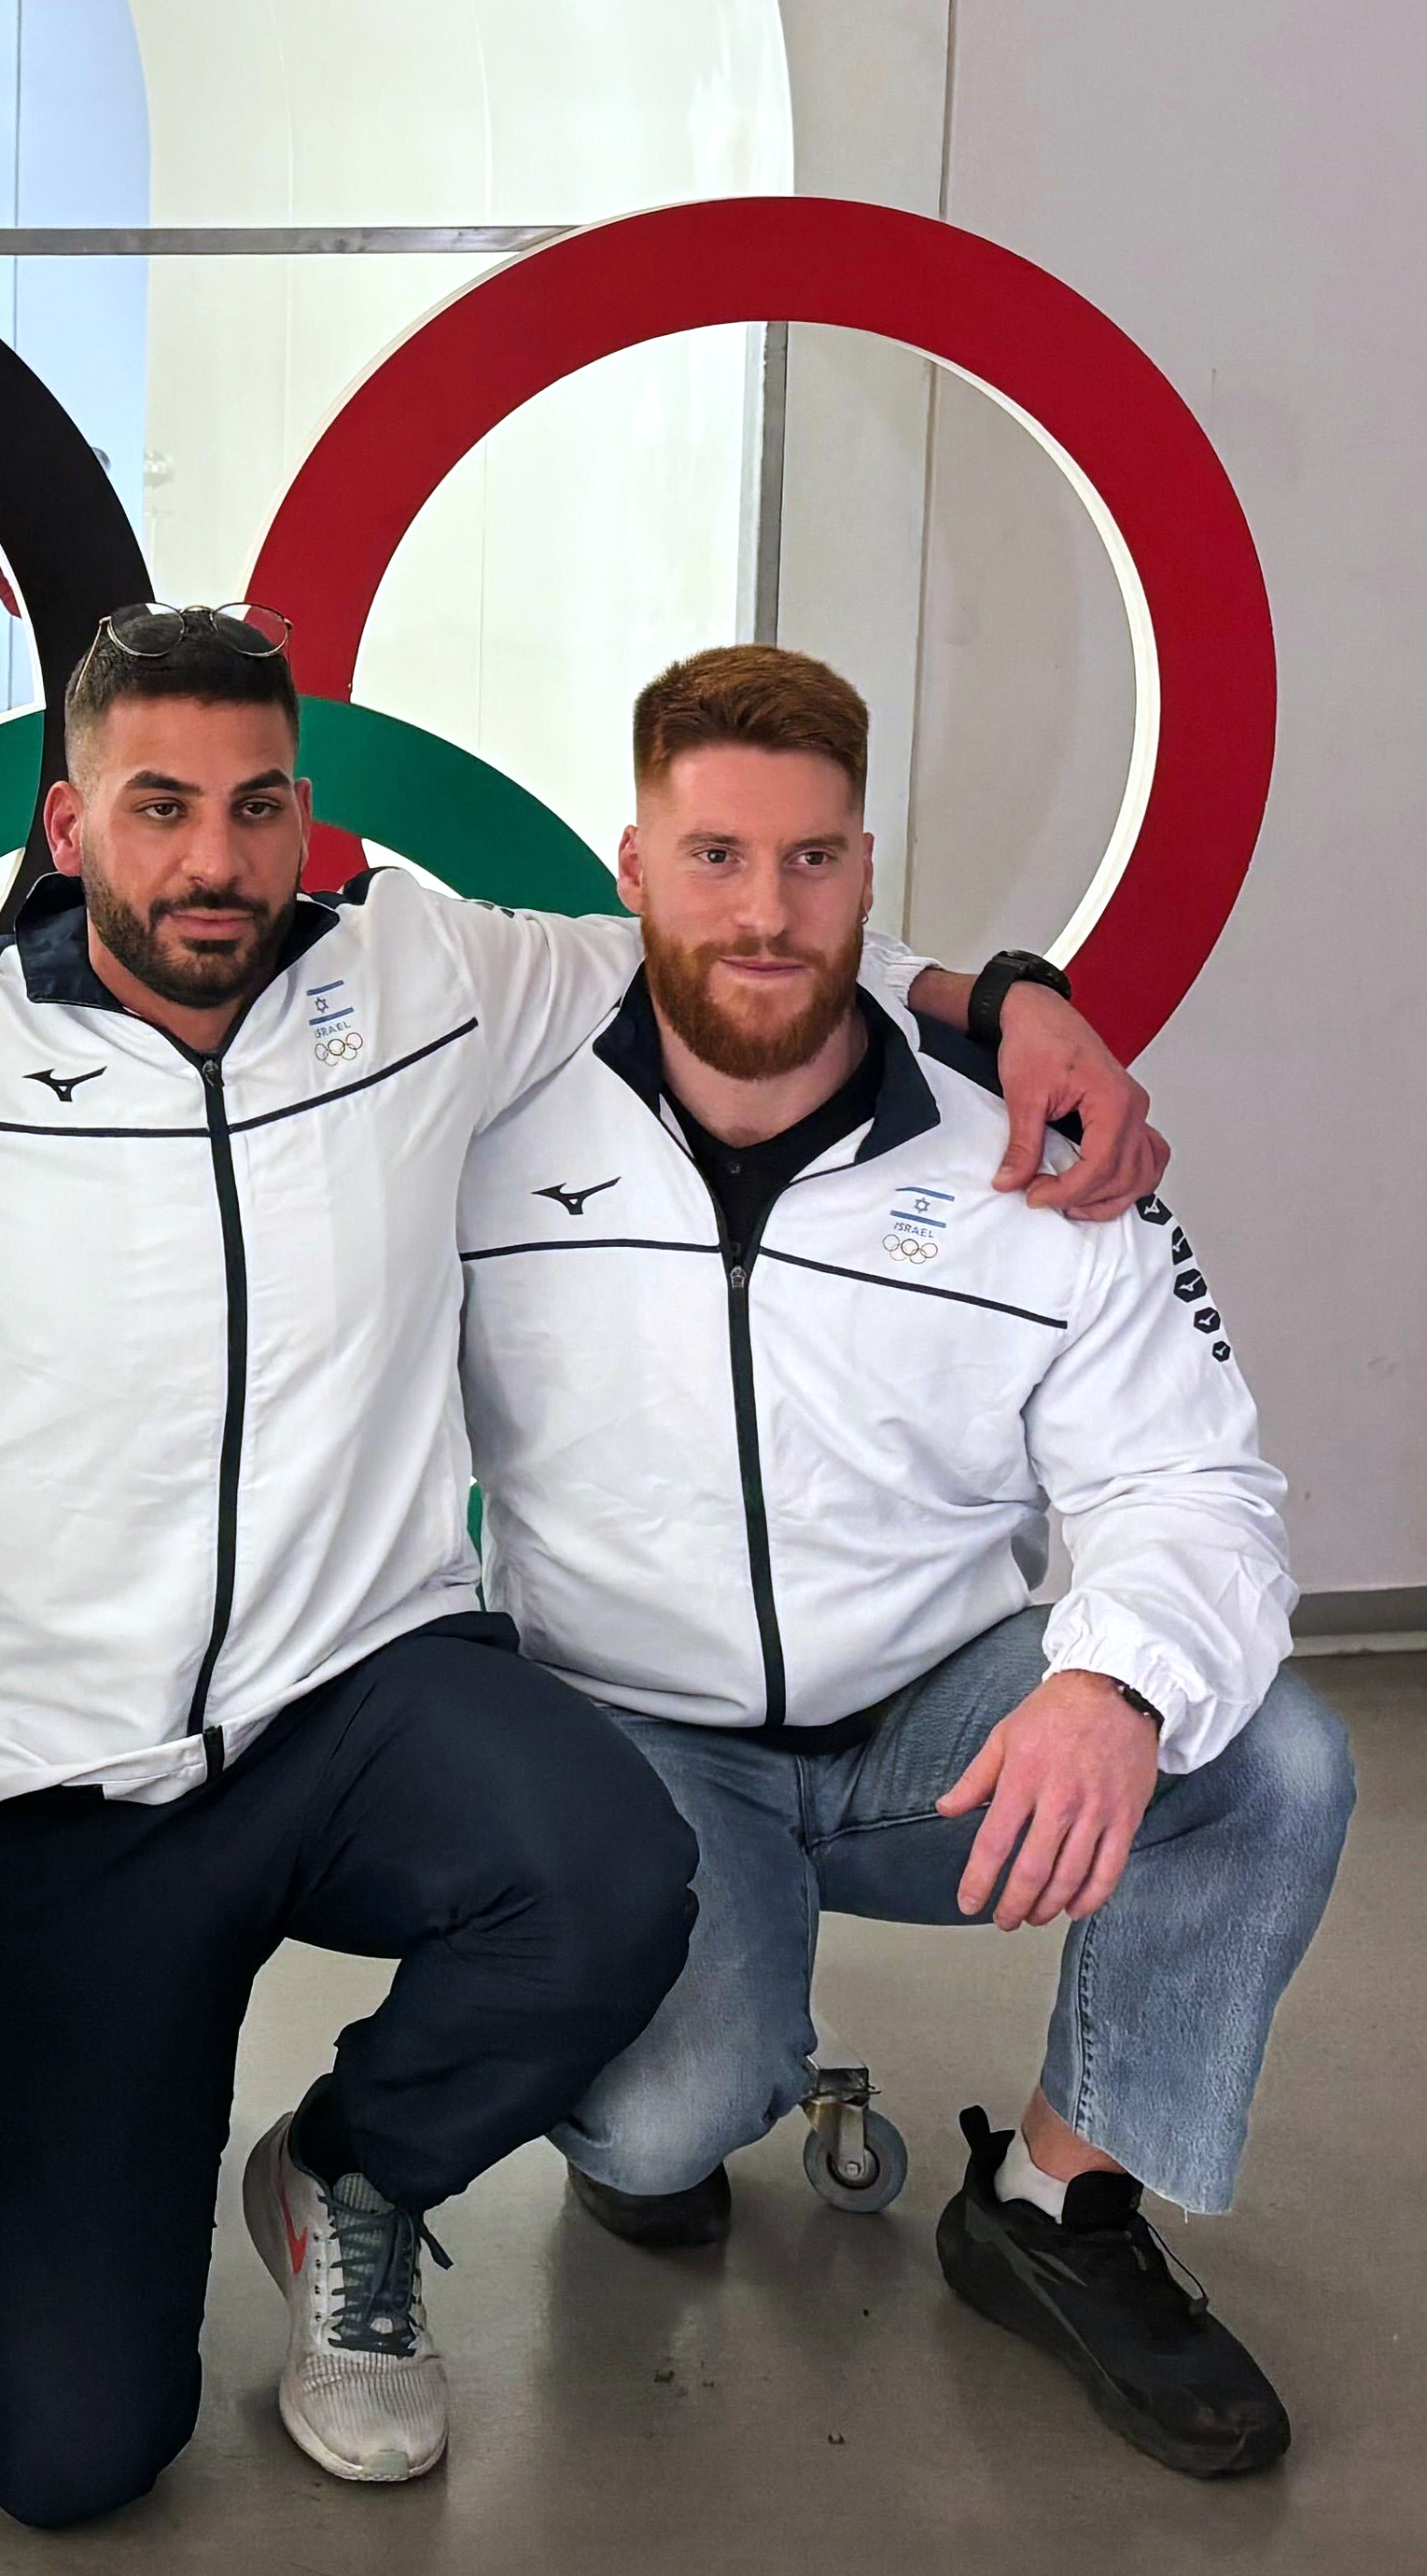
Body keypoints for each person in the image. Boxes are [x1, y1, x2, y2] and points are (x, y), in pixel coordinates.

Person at [0, 605, 1163, 2520]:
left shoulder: (425, 971)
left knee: (609, 1868)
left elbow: (727, 940)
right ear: (72, 821)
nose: (214, 859)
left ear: (304, 820)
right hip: (55, 1800)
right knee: (67, 2451)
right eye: (160, 805)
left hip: (365, 1705)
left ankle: (353, 2169)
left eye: (258, 807)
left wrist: (1004, 997)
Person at [460, 644, 1351, 2477]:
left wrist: (1108, 1682)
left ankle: (1051, 2204)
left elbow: (1195, 1482)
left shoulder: (1034, 1154)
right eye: (714, 858)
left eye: (812, 863)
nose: (765, 912)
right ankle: (678, 2075)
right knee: (666, 2121)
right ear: (630, 869)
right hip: (632, 1728)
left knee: (1270, 1755)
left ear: (871, 872)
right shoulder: (489, 1107)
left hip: (928, 1726)